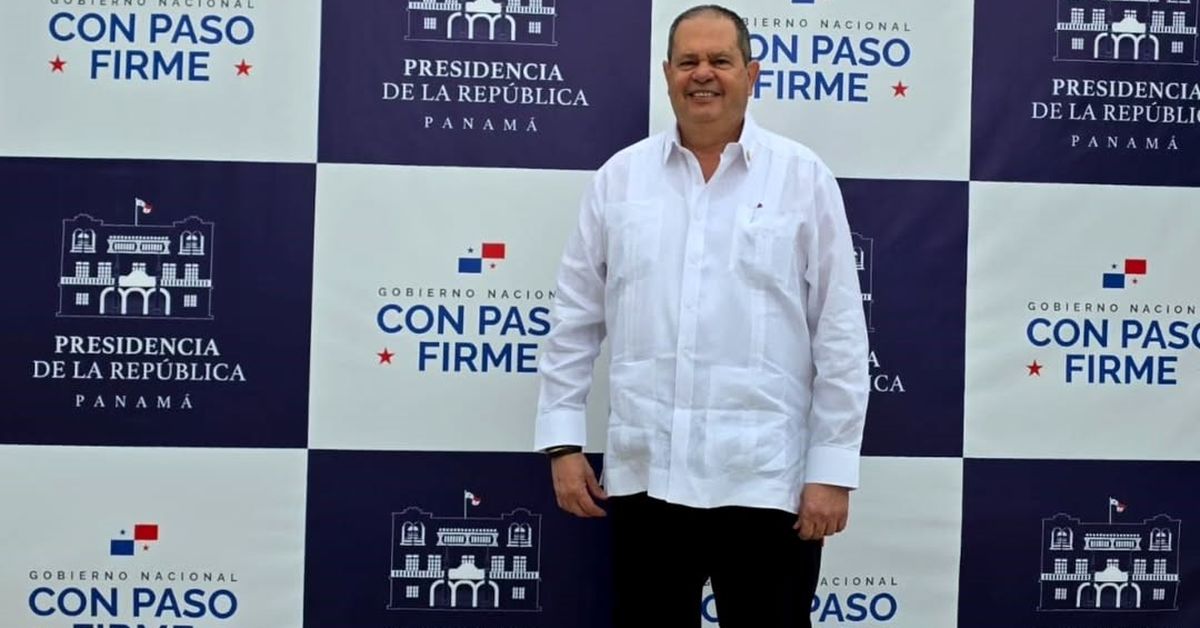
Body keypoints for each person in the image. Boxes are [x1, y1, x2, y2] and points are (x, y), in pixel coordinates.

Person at [533, 4, 869, 626]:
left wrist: (832, 470)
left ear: (752, 74)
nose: (703, 74)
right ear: (667, 74)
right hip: (647, 476)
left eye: (720, 60)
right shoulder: (619, 180)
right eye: (688, 61)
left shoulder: (803, 179)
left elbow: (841, 332)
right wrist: (562, 443)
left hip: (767, 481)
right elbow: (574, 319)